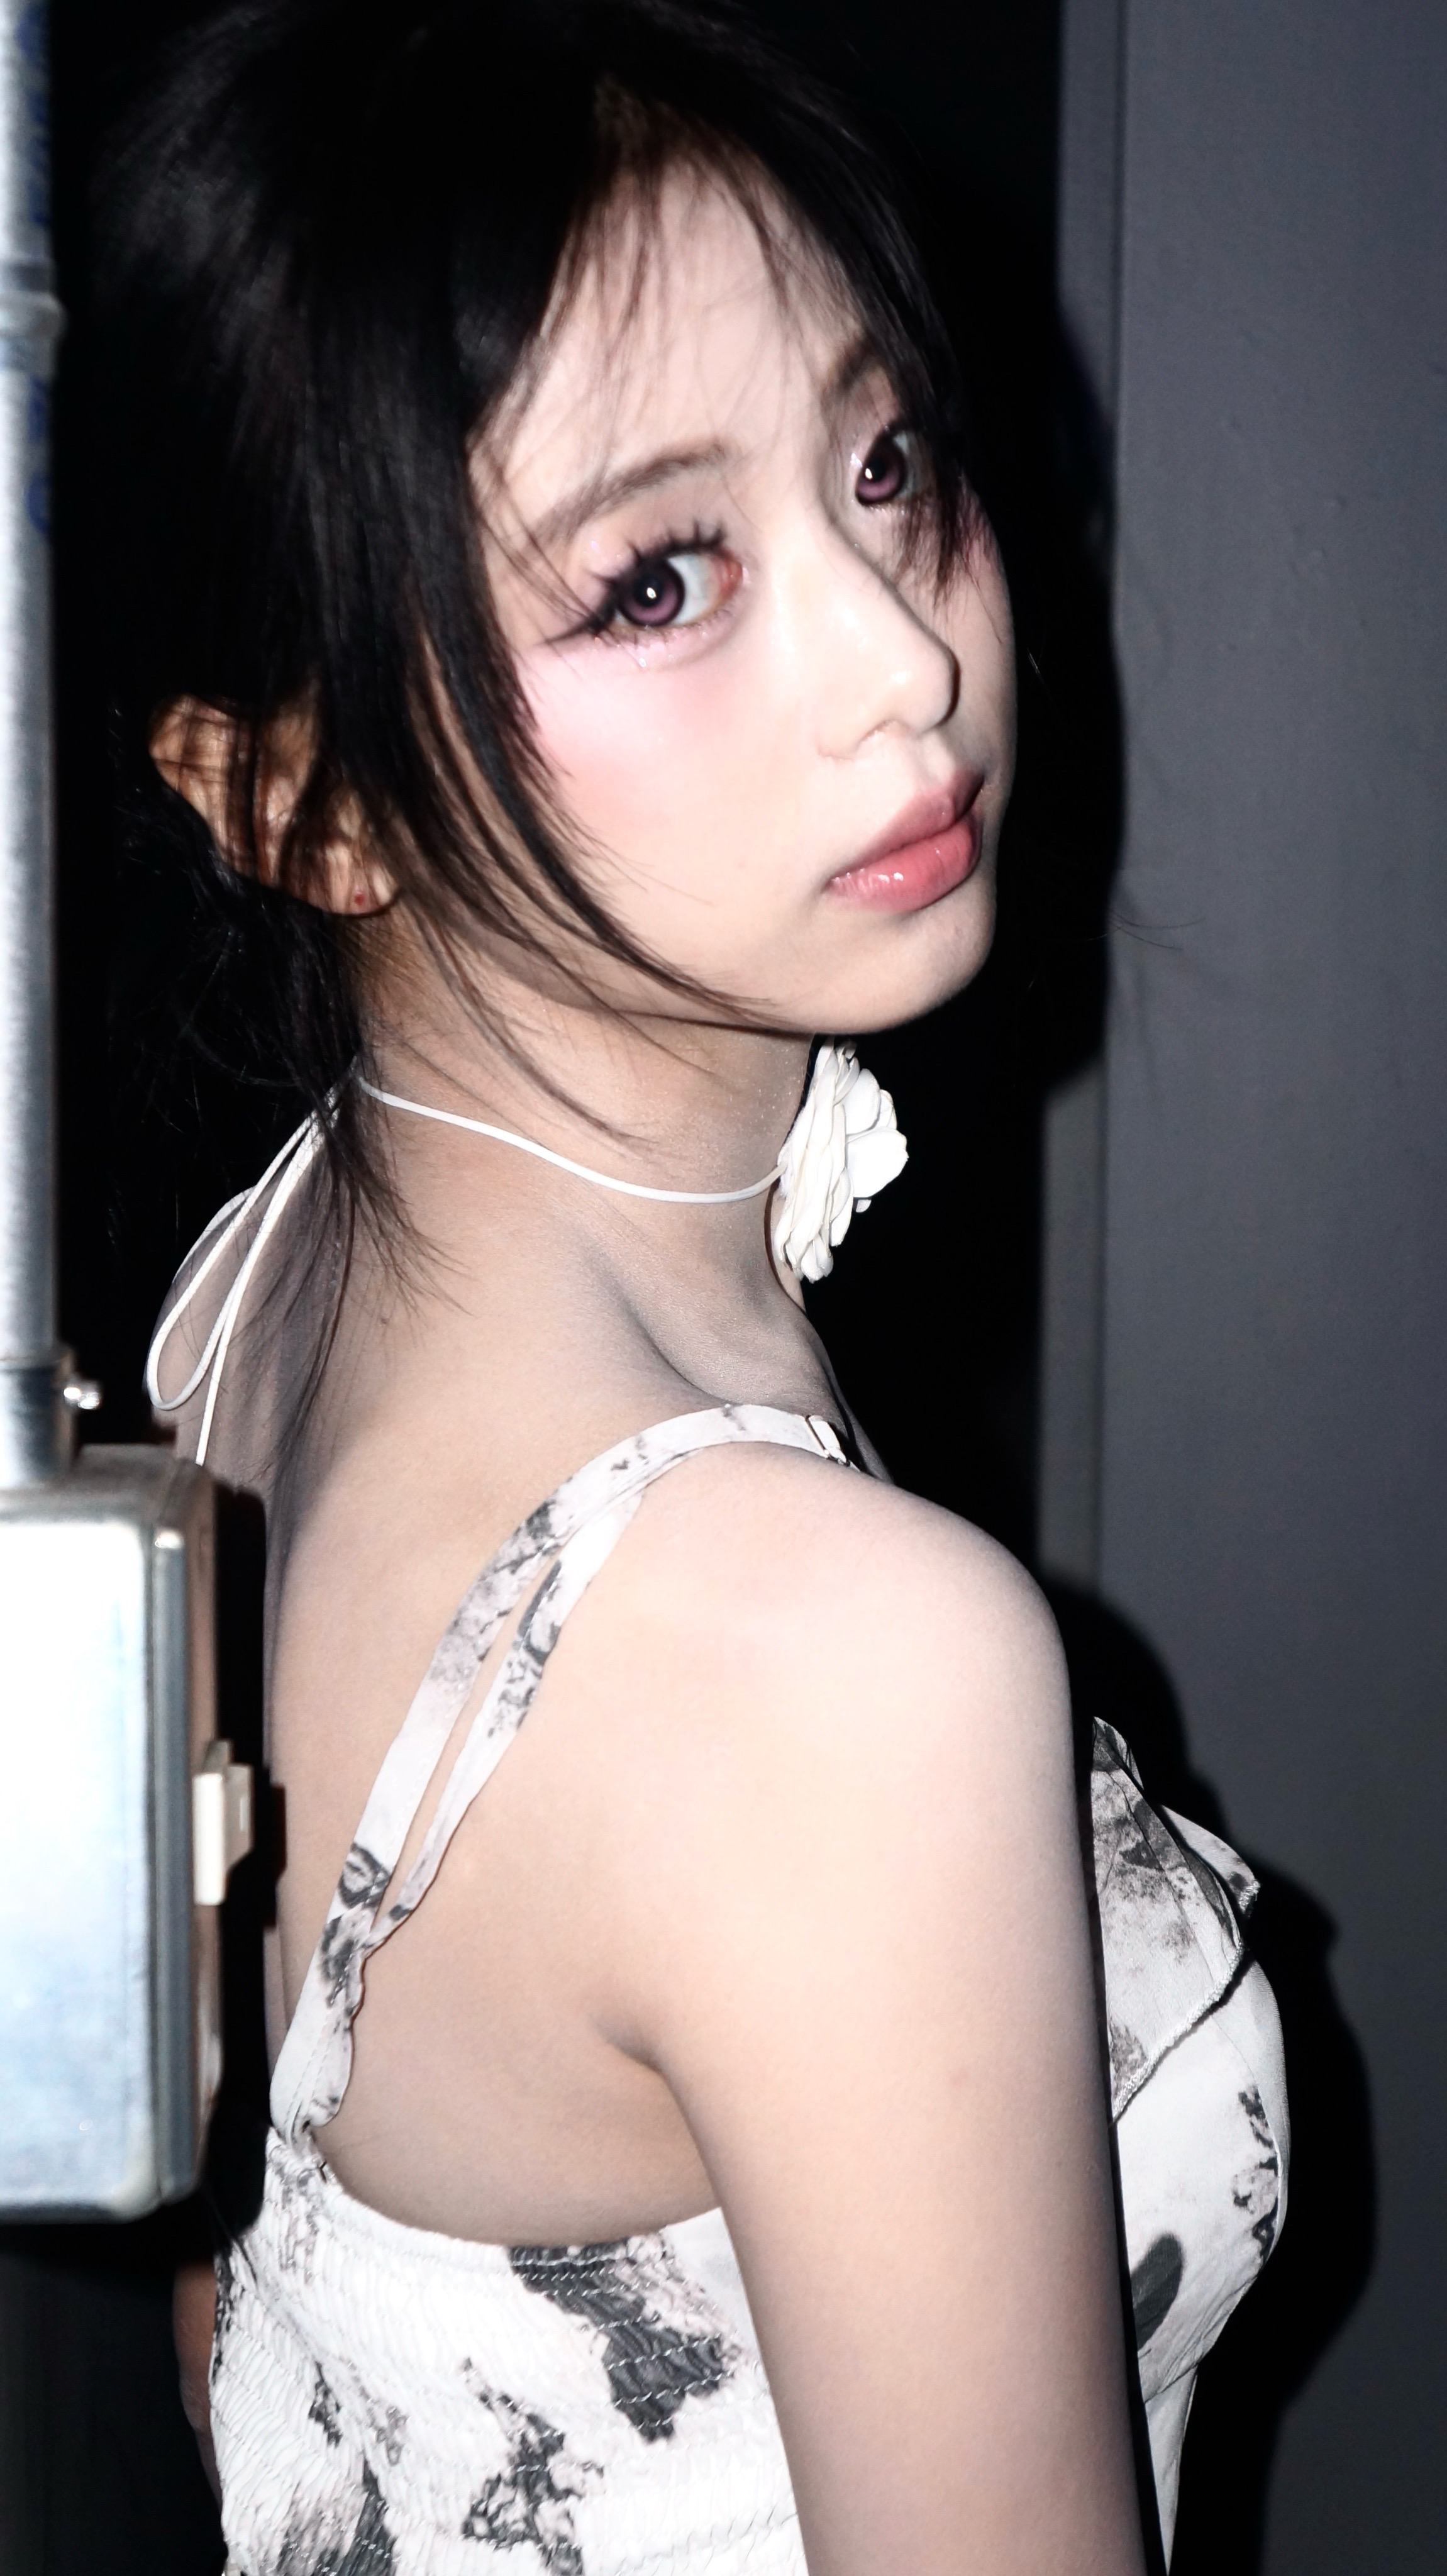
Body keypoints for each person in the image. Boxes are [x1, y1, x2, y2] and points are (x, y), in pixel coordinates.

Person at [103, 4, 1288, 2569]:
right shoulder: (823, 1666)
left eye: (884, 462)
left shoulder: (253, 1300)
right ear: (295, 798)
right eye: (658, 578)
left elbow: (247, 2337)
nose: (904, 659)